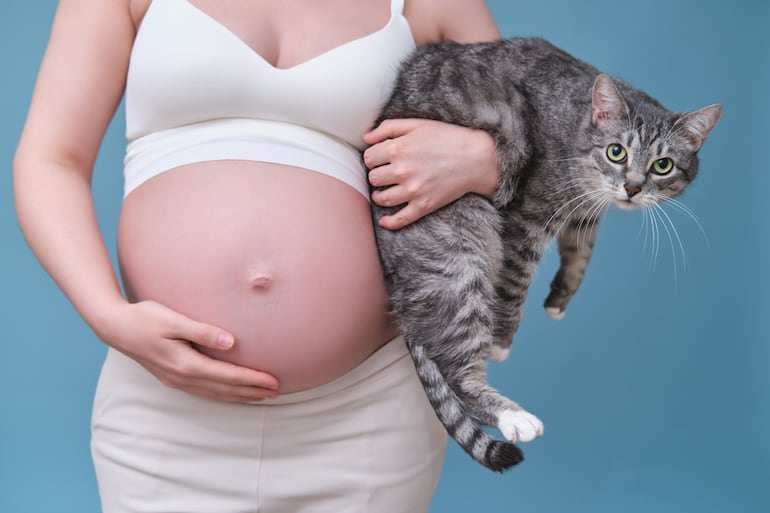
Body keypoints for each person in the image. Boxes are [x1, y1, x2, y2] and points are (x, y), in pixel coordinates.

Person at [13, 0, 502, 511]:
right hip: (166, 409)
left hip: (366, 413)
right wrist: (105, 314)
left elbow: (554, 147)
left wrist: (486, 159)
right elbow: (51, 159)